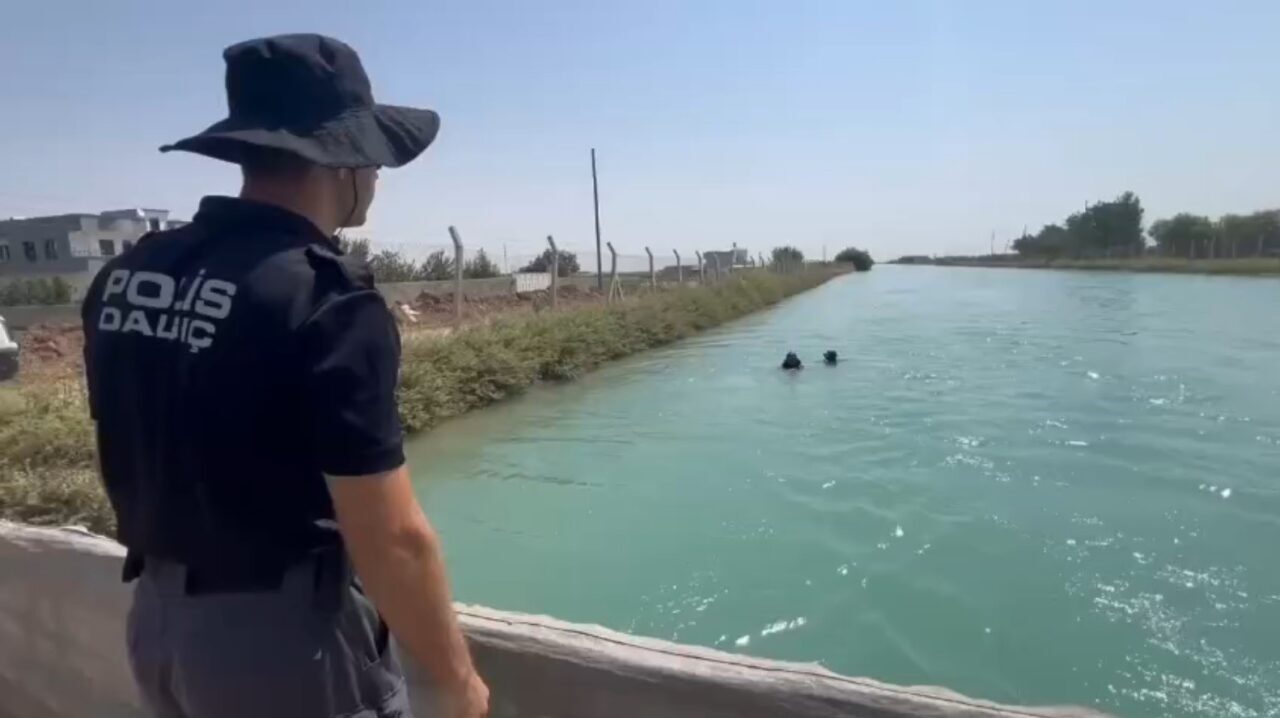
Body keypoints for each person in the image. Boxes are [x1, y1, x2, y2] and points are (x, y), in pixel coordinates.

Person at [81, 34, 487, 718]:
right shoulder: (327, 300)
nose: (379, 178)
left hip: (156, 623)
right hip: (286, 649)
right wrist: (457, 679)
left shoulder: (129, 276)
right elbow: (391, 536)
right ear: (343, 159)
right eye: (373, 158)